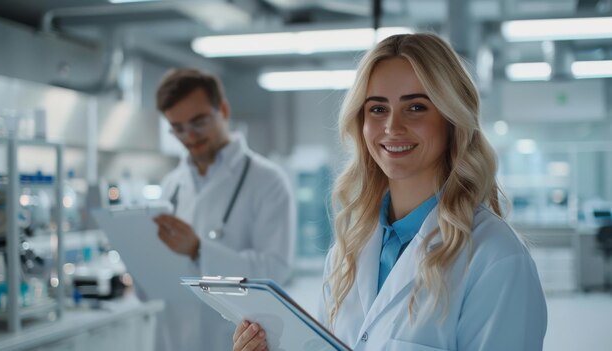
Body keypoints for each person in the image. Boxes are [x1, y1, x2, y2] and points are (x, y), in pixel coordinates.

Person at [233, 32, 547, 351]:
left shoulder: (495, 256)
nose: (392, 127)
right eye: (378, 109)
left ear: (452, 120)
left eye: (416, 107)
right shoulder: (348, 252)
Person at [152, 68, 296, 351]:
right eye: (178, 128)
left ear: (224, 110)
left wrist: (199, 250)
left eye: (199, 122)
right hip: (175, 337)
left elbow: (275, 271)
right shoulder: (172, 185)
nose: (190, 136)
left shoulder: (268, 181)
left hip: (235, 339)